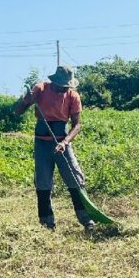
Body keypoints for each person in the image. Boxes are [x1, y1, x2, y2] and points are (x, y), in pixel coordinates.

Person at [13, 65, 95, 231]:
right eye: (61, 86)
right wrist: (26, 100)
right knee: (43, 183)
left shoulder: (73, 96)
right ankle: (47, 224)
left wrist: (64, 143)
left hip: (62, 143)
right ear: (54, 81)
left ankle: (87, 220)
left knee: (75, 179)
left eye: (66, 86)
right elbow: (17, 111)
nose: (63, 89)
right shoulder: (40, 89)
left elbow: (77, 125)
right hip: (42, 143)